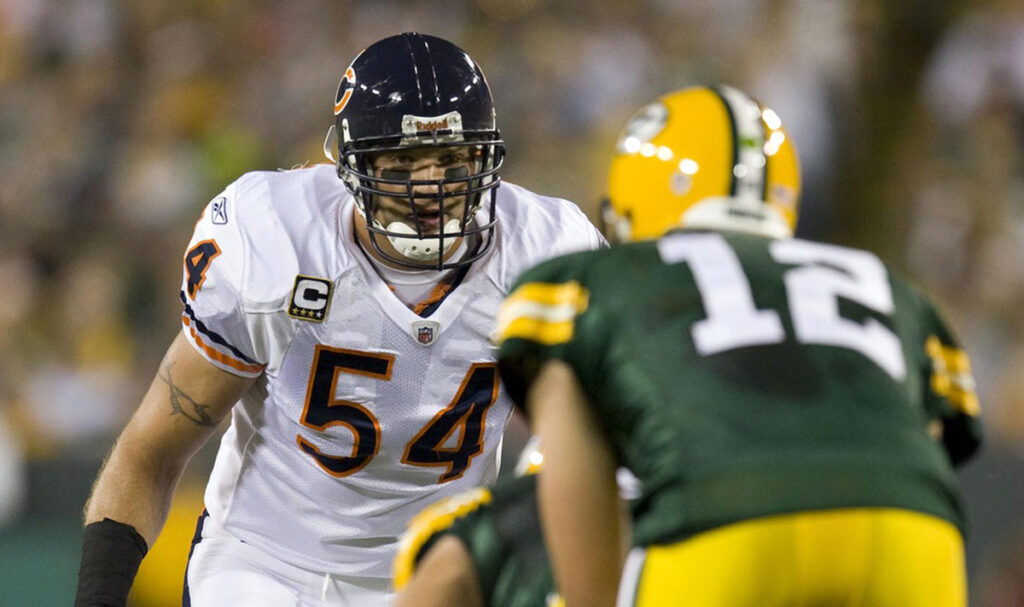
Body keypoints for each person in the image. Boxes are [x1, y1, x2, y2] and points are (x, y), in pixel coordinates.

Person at [74, 32, 605, 607]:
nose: (429, 186)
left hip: (445, 571)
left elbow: (604, 442)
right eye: (404, 161)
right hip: (267, 562)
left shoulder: (549, 256)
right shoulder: (275, 243)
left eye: (451, 159)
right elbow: (150, 450)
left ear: (485, 155)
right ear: (353, 164)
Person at [495, 85, 983, 607]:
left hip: (724, 518)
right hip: (915, 531)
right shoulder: (885, 283)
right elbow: (930, 438)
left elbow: (570, 471)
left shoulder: (604, 281)